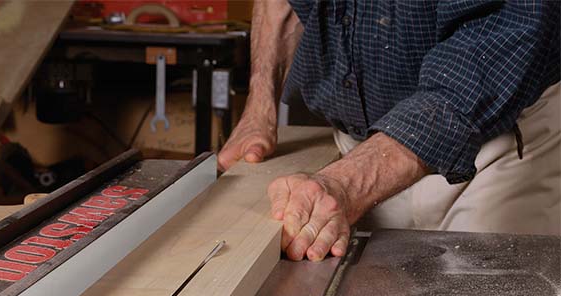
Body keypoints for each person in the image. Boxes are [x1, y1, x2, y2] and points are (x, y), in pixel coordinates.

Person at [217, 1, 560, 262]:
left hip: (490, 152)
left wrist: (346, 183)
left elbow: (498, 47)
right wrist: (259, 105)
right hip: (355, 150)